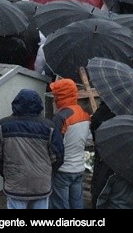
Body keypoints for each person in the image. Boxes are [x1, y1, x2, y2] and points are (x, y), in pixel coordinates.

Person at [0, 88, 64, 209]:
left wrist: (6, 172)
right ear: (39, 105)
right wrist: (47, 172)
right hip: (41, 184)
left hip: (15, 184)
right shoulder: (49, 126)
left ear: (16, 103)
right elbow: (58, 156)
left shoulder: (2, 126)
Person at [49, 78, 91, 209]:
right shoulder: (83, 113)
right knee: (77, 204)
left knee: (60, 205)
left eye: (56, 95)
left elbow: (54, 146)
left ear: (60, 96)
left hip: (63, 169)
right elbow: (87, 139)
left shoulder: (60, 117)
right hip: (78, 168)